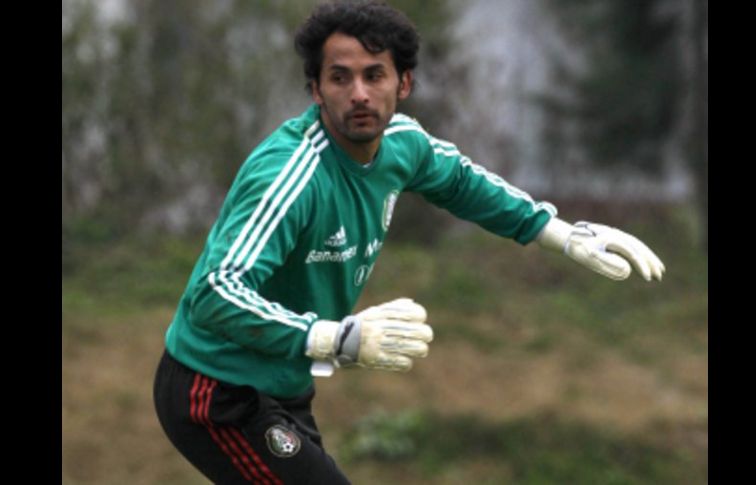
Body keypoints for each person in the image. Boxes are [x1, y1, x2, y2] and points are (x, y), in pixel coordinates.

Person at [153, 1, 666, 483]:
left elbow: (462, 183)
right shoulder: (290, 175)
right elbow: (214, 293)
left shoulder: (404, 143)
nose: (359, 93)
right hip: (214, 388)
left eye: (374, 75)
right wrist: (333, 339)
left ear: (404, 83)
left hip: (282, 385)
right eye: (340, 77)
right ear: (315, 89)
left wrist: (562, 235)